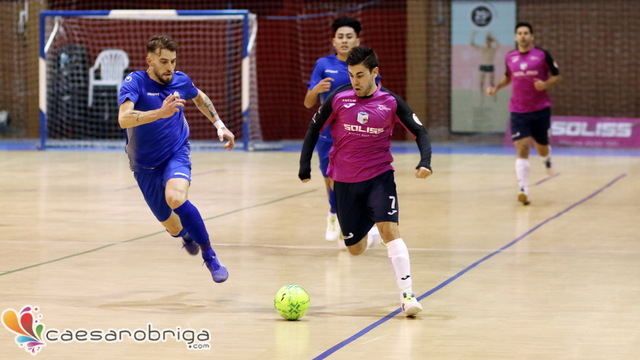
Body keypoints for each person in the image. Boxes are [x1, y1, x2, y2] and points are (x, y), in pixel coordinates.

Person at [298, 46, 432, 316]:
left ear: (375, 73)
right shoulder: (339, 98)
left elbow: (420, 131)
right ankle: (368, 233)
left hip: (379, 178)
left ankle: (408, 296)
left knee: (390, 231)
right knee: (355, 249)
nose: (355, 81)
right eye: (351, 75)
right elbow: (314, 127)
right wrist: (304, 165)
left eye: (360, 75)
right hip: (345, 183)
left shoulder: (391, 102)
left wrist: (425, 162)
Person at [117, 35, 235, 282]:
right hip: (144, 166)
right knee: (172, 227)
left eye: (172, 61)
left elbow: (199, 97)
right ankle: (186, 234)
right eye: (163, 61)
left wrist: (219, 125)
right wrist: (160, 113)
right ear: (149, 60)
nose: (169, 67)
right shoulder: (135, 82)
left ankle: (210, 256)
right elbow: (124, 119)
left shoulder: (180, 80)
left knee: (175, 197)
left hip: (175, 153)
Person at [486, 22, 560, 205]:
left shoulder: (542, 55)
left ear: (532, 36)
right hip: (518, 110)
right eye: (519, 33)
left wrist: (546, 84)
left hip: (540, 109)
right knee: (523, 146)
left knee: (541, 146)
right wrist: (496, 87)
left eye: (526, 33)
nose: (523, 36)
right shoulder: (510, 57)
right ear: (515, 37)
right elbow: (508, 76)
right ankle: (523, 190)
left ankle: (546, 158)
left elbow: (557, 75)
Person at [303, 17, 363, 243]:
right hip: (328, 133)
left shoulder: (365, 64)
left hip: (357, 132)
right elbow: (308, 103)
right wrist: (316, 89)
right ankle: (333, 212)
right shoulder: (323, 64)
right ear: (334, 41)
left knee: (357, 179)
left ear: (357, 40)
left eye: (349, 37)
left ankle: (356, 217)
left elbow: (377, 98)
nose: (345, 41)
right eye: (341, 37)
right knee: (331, 178)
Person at [470, 31, 499, 103]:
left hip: (490, 66)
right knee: (481, 83)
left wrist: (493, 38)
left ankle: (494, 97)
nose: (488, 43)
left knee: (491, 83)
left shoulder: (493, 49)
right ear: (485, 42)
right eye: (487, 41)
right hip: (483, 66)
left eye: (489, 41)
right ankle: (482, 97)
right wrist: (473, 35)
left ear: (491, 42)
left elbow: (498, 44)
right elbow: (472, 44)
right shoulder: (483, 48)